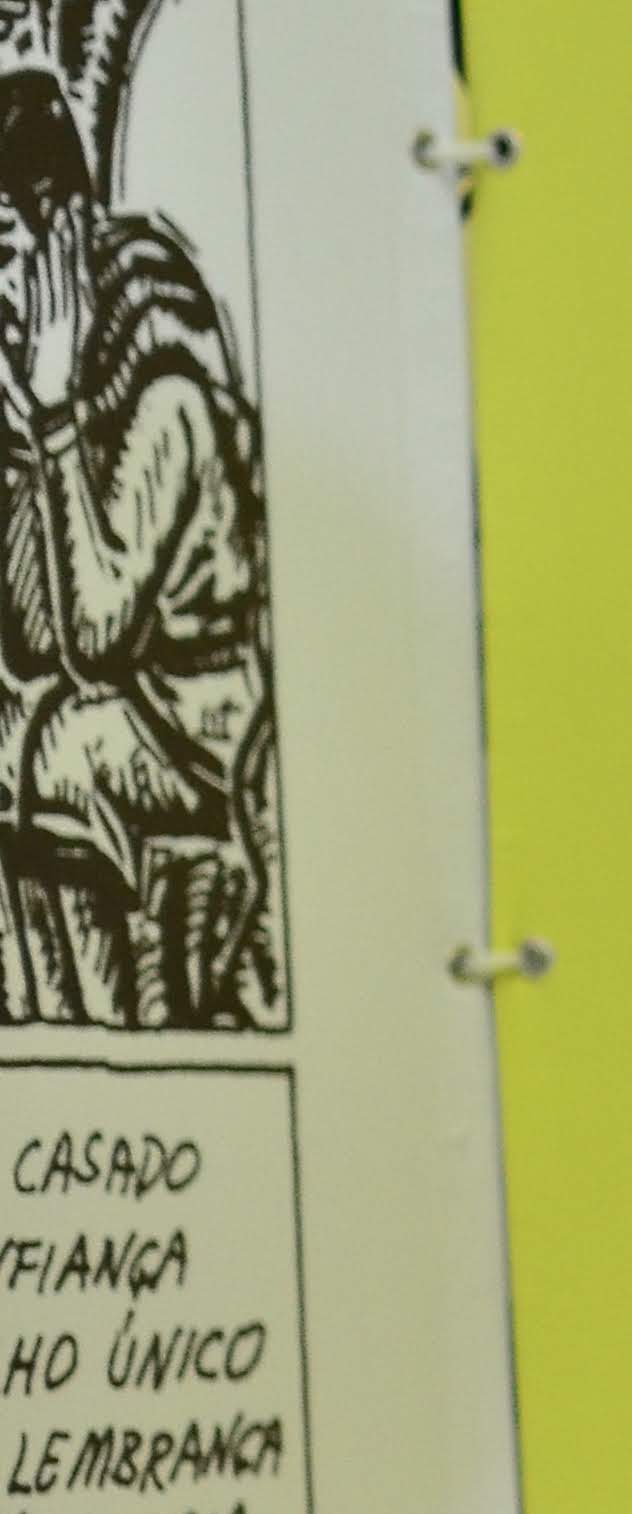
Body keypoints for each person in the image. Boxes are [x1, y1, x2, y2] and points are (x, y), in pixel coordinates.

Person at [0, 65, 277, 1031]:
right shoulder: (45, 391)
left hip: (196, 733)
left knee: (38, 756)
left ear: (61, 238)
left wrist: (54, 417)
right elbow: (29, 637)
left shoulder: (166, 391)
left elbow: (96, 636)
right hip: (114, 713)